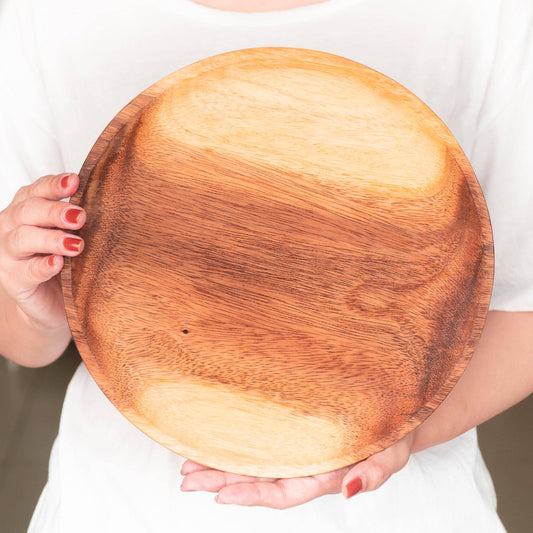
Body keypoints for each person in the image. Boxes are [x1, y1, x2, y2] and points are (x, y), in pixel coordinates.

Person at [0, 0, 532, 531]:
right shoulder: (41, 13)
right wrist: (39, 311)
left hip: (406, 514)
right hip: (115, 504)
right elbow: (21, 338)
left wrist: (405, 433)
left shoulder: (488, 13)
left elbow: (525, 308)